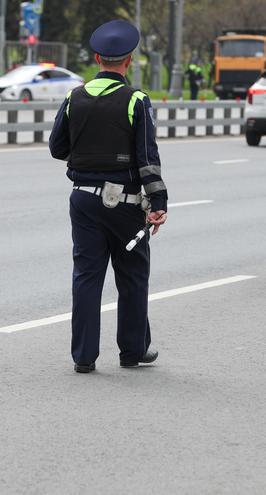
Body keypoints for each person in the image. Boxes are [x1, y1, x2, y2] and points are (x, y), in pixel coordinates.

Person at [49, 20, 168, 373]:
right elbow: (148, 158)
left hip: (83, 200)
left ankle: (84, 357)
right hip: (126, 205)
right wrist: (158, 203)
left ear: (98, 58)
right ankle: (132, 352)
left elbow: (58, 148)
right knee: (132, 275)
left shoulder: (74, 96)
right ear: (128, 61)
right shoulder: (136, 100)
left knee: (87, 276)